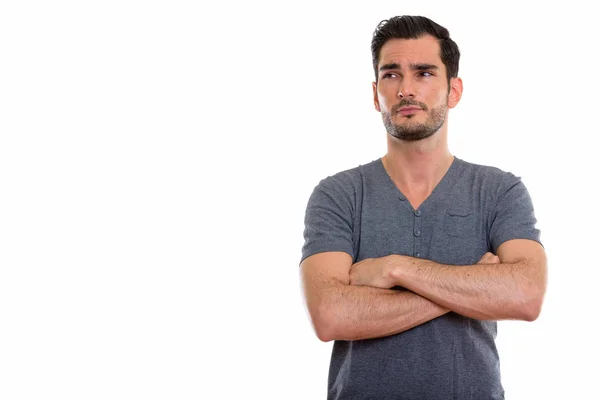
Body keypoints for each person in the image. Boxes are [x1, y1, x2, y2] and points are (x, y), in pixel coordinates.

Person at [299, 15, 547, 400]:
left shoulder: (499, 190)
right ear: (375, 92)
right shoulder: (338, 194)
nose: (406, 89)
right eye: (392, 74)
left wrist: (395, 268)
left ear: (454, 91)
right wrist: (472, 287)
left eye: (425, 73)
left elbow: (526, 296)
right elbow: (330, 315)